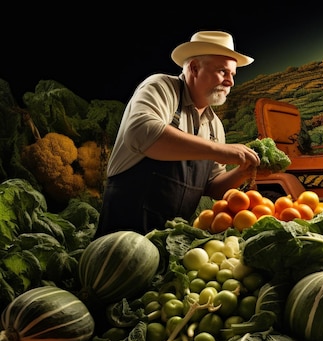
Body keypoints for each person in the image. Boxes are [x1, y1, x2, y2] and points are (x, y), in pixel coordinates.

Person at [96, 31, 260, 237]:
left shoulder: (214, 125)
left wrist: (242, 172)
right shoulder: (161, 87)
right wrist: (220, 151)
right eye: (222, 72)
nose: (230, 82)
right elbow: (140, 132)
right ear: (194, 68)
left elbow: (211, 186)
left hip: (171, 241)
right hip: (123, 235)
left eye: (232, 75)